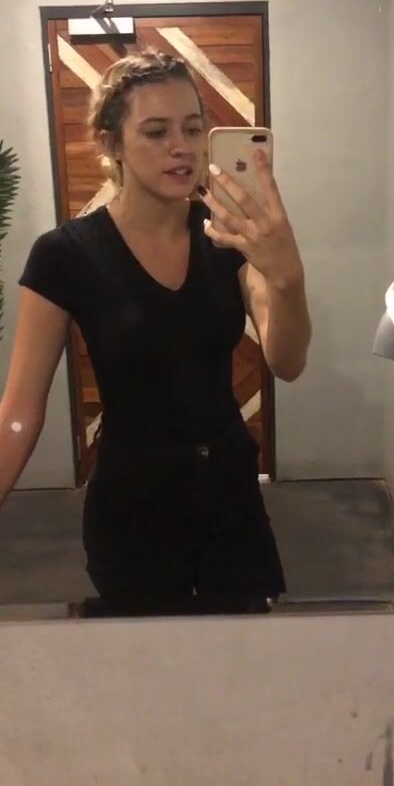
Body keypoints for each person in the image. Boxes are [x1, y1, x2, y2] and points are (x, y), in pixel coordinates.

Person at [0, 50, 311, 615]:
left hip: (231, 503)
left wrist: (288, 278)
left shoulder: (227, 238)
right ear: (112, 144)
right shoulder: (65, 255)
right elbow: (19, 411)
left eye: (193, 129)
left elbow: (286, 362)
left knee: (249, 659)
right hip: (132, 510)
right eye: (156, 131)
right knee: (147, 663)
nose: (181, 147)